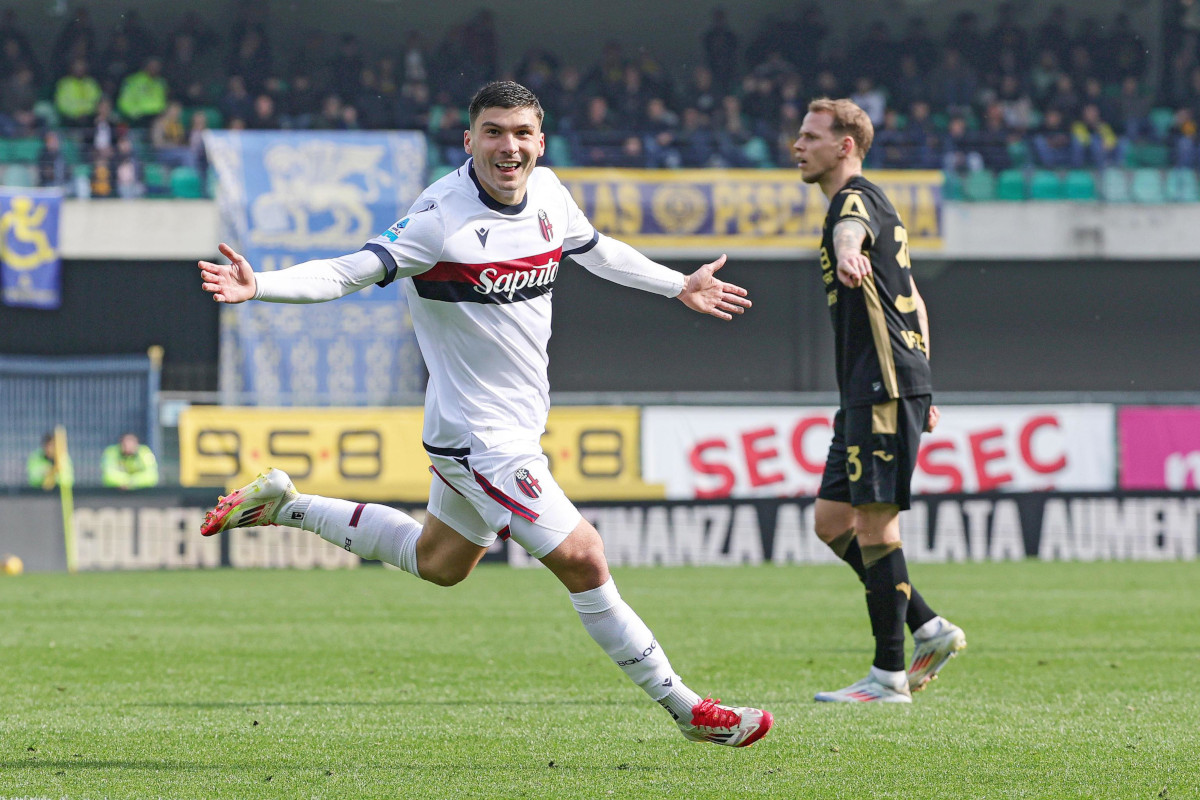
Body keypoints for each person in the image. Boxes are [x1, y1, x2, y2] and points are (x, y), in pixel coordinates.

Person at [197, 81, 772, 747]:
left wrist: (678, 285)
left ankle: (284, 505)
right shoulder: (440, 219)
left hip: (503, 428)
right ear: (468, 141)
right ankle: (686, 709)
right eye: (494, 132)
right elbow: (348, 272)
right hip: (481, 437)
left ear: (541, 142)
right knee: (584, 556)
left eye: (522, 133)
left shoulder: (551, 195)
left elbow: (597, 250)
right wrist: (260, 285)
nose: (510, 146)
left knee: (440, 562)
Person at [792, 97, 966, 703]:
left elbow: (852, 228)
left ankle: (889, 676)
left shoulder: (854, 199)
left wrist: (845, 250)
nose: (798, 144)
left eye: (811, 136)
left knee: (873, 522)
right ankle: (929, 626)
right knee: (832, 521)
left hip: (882, 388)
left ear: (845, 145)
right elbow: (913, 296)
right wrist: (925, 381)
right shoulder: (864, 204)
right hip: (881, 386)